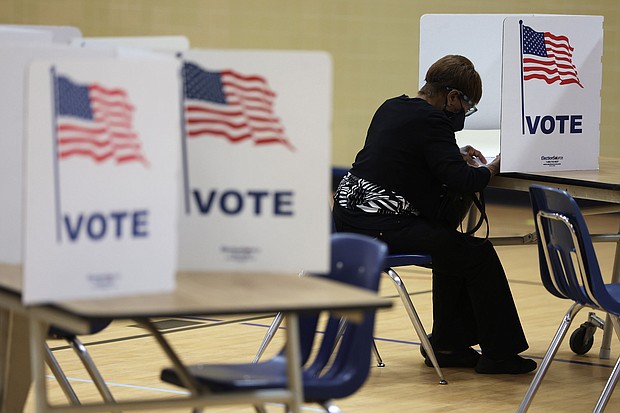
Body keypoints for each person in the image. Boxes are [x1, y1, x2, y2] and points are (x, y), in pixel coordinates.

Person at [332, 55, 536, 374]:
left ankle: (448, 344)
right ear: (453, 97)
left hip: (348, 219)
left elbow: (408, 153)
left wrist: (454, 154)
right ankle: (500, 353)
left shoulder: (393, 106)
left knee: (451, 246)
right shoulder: (433, 121)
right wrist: (496, 165)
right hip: (379, 225)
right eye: (467, 107)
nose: (463, 115)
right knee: (477, 253)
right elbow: (464, 180)